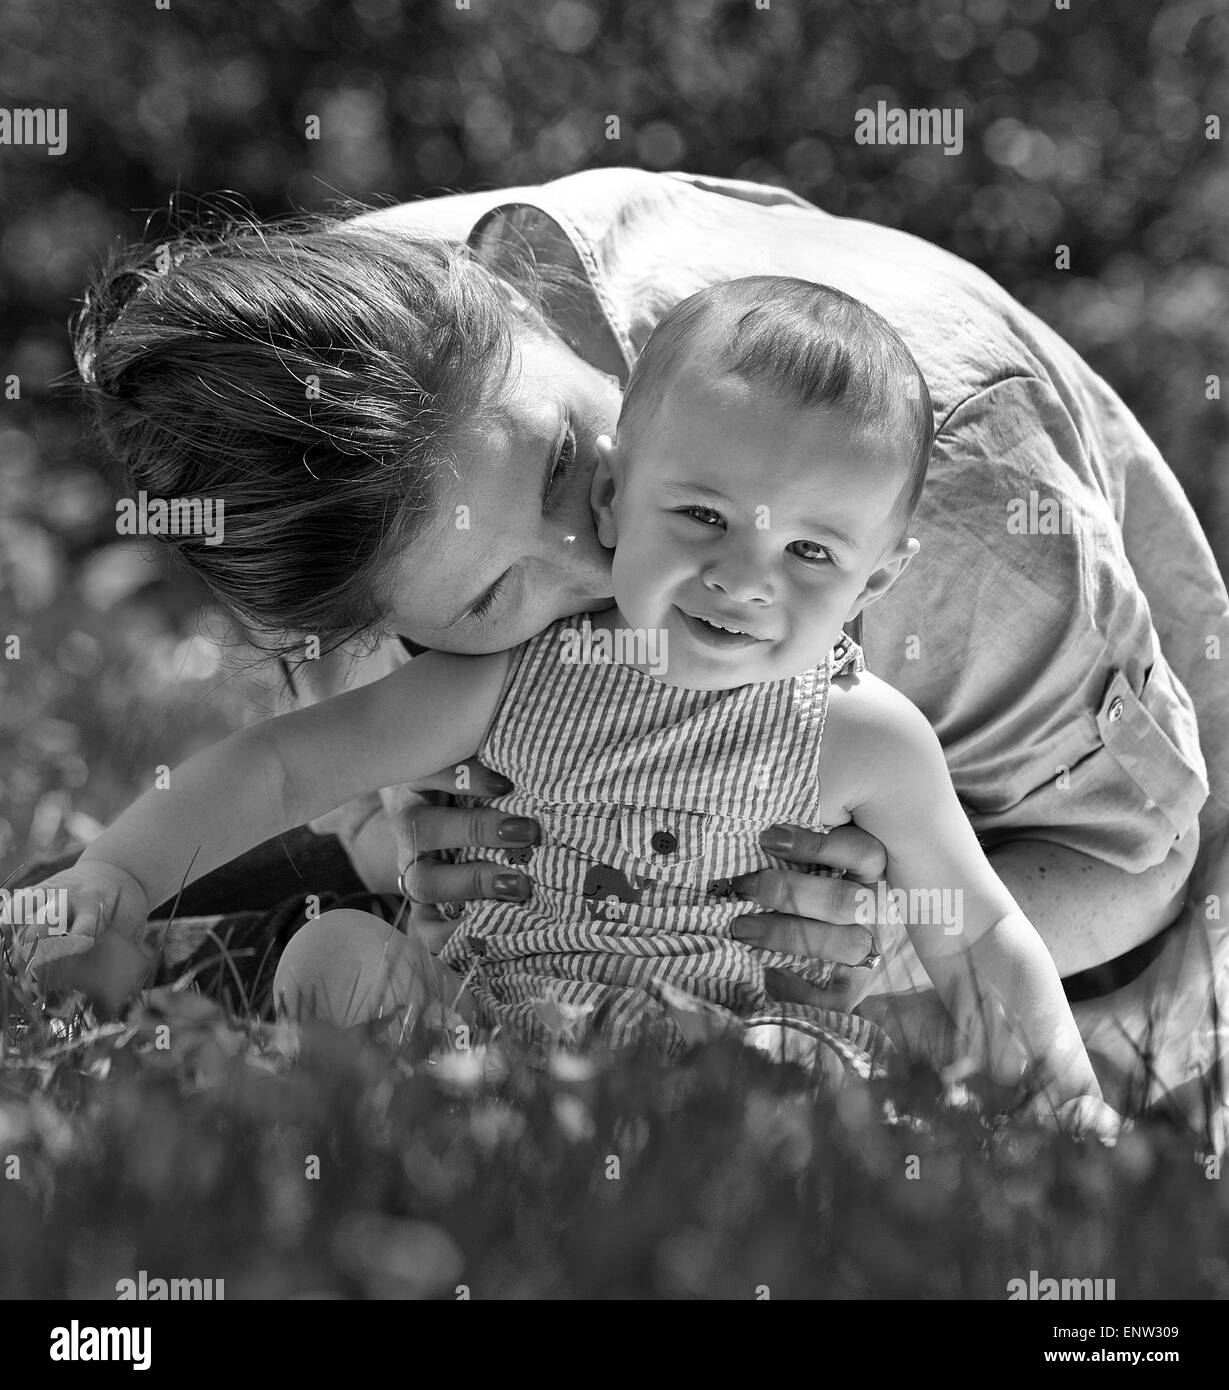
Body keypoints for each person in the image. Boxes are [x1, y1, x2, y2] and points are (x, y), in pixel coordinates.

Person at [19, 166, 1226, 1114]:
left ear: (517, 297)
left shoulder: (919, 485)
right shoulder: (295, 420)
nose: (598, 556)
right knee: (66, 925)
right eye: (493, 597)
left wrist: (875, 945)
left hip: (1093, 864)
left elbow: (1122, 871)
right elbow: (294, 760)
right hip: (533, 956)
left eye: (563, 467)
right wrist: (395, 837)